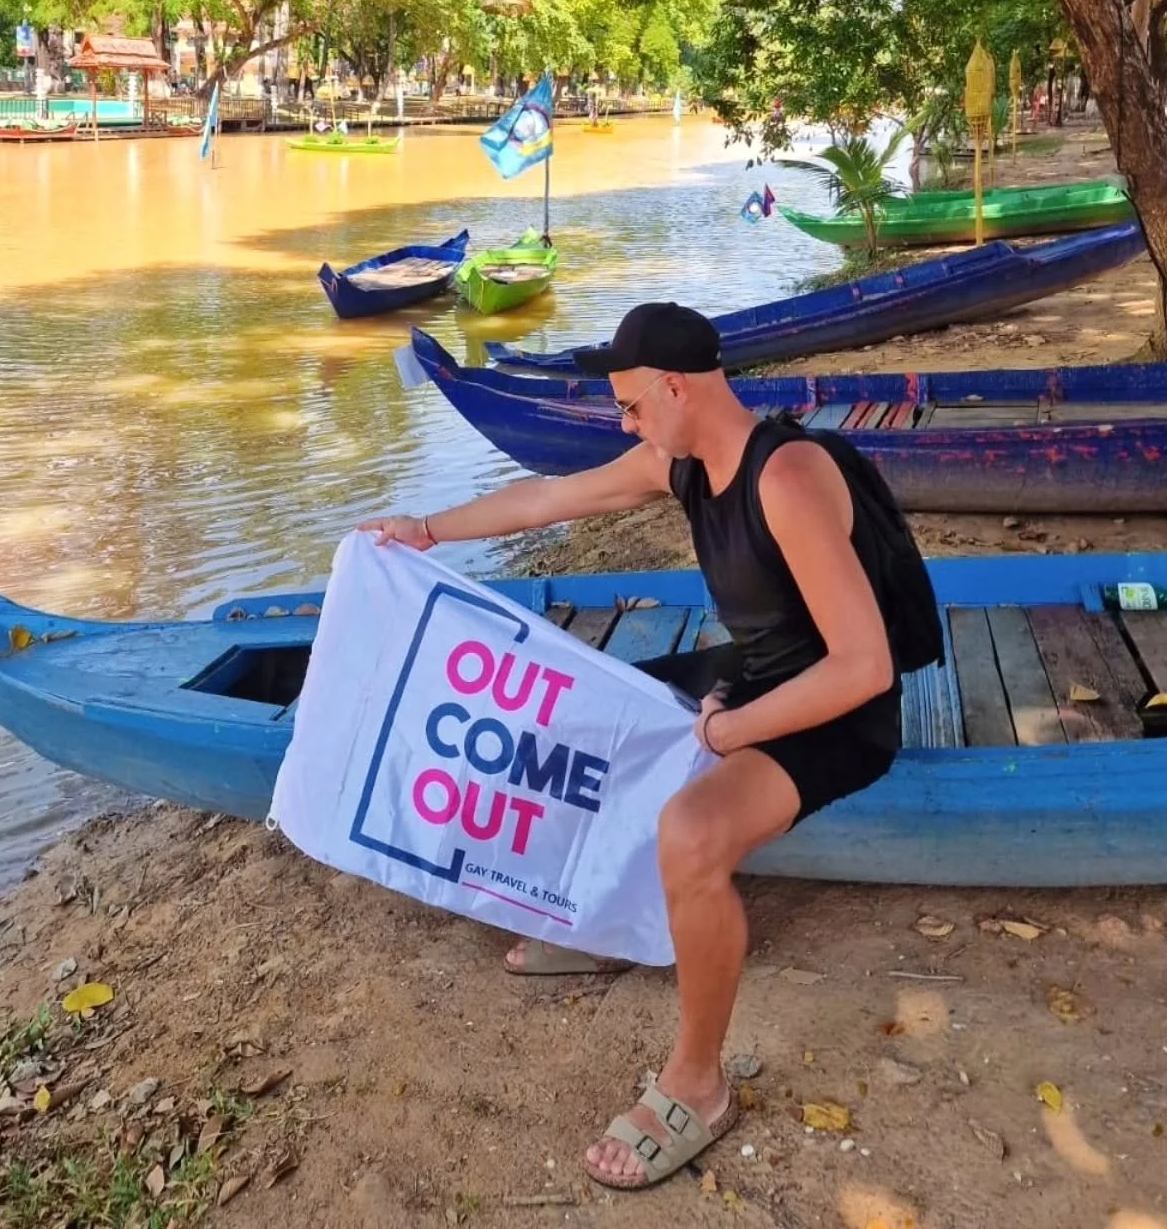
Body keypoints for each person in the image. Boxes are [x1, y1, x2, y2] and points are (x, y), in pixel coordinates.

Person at [361, 302, 908, 1192]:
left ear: (675, 386)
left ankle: (699, 1084)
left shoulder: (788, 478)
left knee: (692, 833)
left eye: (630, 406)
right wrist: (424, 530)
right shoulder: (679, 462)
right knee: (582, 724)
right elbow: (548, 498)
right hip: (760, 673)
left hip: (837, 712)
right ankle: (615, 925)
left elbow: (864, 668)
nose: (625, 423)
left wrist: (730, 729)